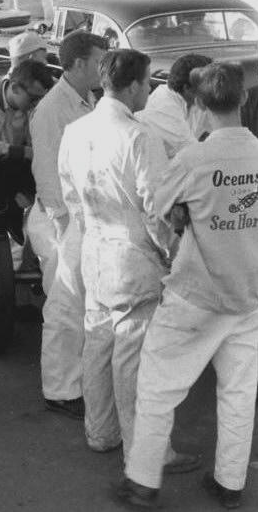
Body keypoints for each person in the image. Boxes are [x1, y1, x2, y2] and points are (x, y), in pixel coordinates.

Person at [118, 63, 258, 510]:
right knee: (239, 392)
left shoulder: (193, 159)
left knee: (158, 386)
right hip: (250, 295)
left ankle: (143, 481)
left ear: (198, 105)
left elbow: (157, 207)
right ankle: (230, 483)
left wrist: (185, 213)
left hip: (197, 294)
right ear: (243, 101)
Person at [59, 49, 198, 471]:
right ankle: (146, 451)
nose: (149, 91)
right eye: (147, 84)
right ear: (136, 85)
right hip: (132, 255)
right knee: (135, 358)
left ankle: (100, 432)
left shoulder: (77, 130)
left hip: (94, 246)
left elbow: (69, 194)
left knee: (98, 343)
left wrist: (90, 226)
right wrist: (171, 253)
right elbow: (155, 207)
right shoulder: (138, 136)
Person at [27, 30, 109, 420]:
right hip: (59, 217)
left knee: (81, 304)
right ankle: (59, 389)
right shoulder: (51, 109)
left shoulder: (87, 100)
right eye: (97, 62)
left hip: (80, 215)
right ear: (77, 64)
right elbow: (44, 169)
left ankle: (76, 381)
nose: (102, 69)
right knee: (64, 306)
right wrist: (61, 224)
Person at [0, 60, 53, 242]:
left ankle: (21, 212)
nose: (37, 103)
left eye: (41, 98)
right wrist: (21, 151)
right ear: (14, 88)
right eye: (33, 98)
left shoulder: (35, 109)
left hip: (17, 169)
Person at [136, 54, 213, 158]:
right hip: (157, 169)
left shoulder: (194, 100)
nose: (212, 90)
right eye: (207, 85)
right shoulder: (162, 105)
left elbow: (225, 131)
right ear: (187, 89)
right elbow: (192, 151)